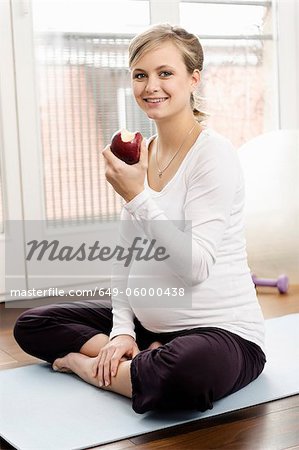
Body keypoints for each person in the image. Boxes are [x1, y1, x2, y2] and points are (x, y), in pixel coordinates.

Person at [13, 24, 266, 414]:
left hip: (223, 334)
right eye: (140, 75)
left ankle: (88, 367)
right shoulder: (141, 154)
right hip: (152, 329)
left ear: (194, 78)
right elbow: (126, 259)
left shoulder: (214, 155)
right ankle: (136, 360)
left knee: (186, 372)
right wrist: (121, 332)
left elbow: (195, 267)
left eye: (166, 73)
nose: (152, 86)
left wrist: (138, 196)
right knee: (33, 324)